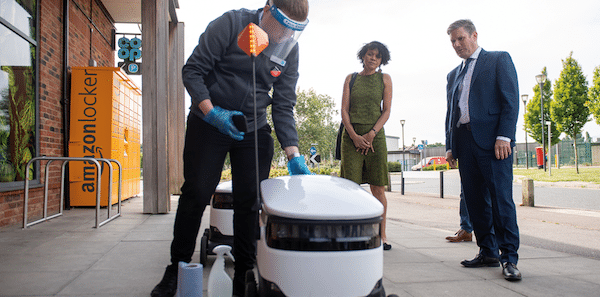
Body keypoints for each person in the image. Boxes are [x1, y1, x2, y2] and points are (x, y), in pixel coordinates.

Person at [151, 1, 311, 297]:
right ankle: (177, 266)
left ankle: (244, 274)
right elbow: (193, 71)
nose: (285, 34)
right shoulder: (230, 24)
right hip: (210, 119)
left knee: (250, 202)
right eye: (282, 25)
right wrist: (212, 113)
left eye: (293, 30)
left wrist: (294, 154)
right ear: (266, 9)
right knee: (197, 191)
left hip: (253, 126)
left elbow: (284, 104)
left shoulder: (289, 47)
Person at [444, 19, 521, 281]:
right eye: (452, 41)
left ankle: (509, 258)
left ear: (474, 35)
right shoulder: (453, 74)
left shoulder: (498, 60)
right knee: (475, 201)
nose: (456, 44)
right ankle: (487, 251)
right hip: (464, 144)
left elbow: (510, 102)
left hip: (493, 143)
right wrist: (450, 146)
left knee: (501, 201)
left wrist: (504, 136)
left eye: (460, 39)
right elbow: (450, 113)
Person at [340, 41, 393, 250]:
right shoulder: (350, 78)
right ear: (363, 56)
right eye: (370, 54)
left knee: (378, 187)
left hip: (375, 136)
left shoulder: (385, 79)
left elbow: (387, 110)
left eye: (377, 56)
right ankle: (351, 232)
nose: (373, 58)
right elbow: (344, 110)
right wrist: (354, 136)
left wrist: (371, 134)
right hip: (351, 136)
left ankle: (381, 235)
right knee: (350, 188)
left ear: (382, 60)